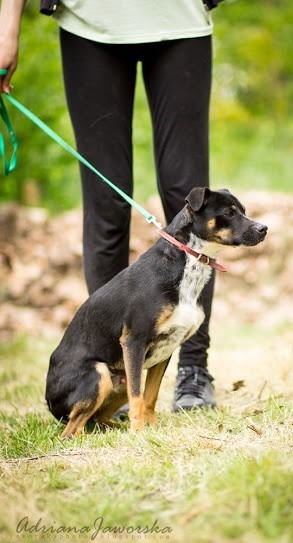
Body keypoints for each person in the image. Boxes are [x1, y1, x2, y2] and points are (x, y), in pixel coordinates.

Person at [0, 0, 223, 412]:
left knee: (190, 199)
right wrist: (6, 28)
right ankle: (111, 371)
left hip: (182, 20)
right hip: (90, 24)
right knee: (107, 206)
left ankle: (194, 371)